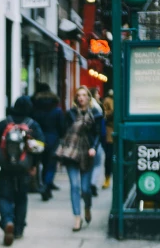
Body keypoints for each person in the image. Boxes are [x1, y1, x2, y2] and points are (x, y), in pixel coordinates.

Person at [0, 96, 45, 246]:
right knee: (21, 197)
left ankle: (8, 221)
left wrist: (1, 160)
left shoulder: (4, 123)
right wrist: (34, 165)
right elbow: (40, 147)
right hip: (24, 167)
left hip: (7, 167)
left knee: (4, 197)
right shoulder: (32, 124)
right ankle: (19, 230)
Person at [58, 86, 103, 232]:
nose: (81, 98)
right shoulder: (70, 114)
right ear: (76, 98)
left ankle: (87, 207)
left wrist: (94, 148)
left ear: (88, 97)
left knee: (85, 188)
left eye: (84, 95)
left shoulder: (96, 114)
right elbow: (64, 132)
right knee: (75, 186)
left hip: (87, 153)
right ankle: (77, 217)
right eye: (78, 95)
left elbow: (98, 134)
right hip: (72, 152)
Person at [31, 82, 64, 201]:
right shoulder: (57, 110)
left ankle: (43, 185)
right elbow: (62, 127)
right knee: (50, 165)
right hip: (52, 139)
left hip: (37, 139)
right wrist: (62, 140)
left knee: (39, 163)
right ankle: (46, 185)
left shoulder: (35, 108)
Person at [102, 89, 114, 189]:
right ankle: (107, 178)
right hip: (110, 132)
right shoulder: (107, 100)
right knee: (109, 157)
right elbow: (105, 114)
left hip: (116, 129)